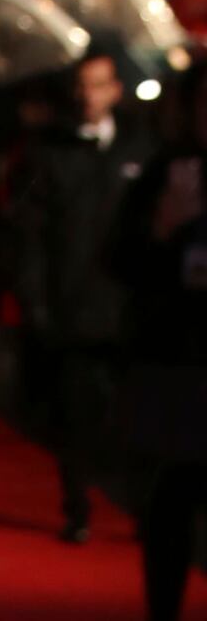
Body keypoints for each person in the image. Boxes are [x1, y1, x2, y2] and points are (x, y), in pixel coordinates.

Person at [15, 50, 153, 543]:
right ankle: (78, 507)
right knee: (74, 413)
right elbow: (30, 234)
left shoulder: (141, 149)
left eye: (98, 85)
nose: (88, 95)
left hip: (127, 308)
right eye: (82, 85)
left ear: (115, 89)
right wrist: (37, 303)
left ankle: (132, 505)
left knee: (126, 412)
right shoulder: (49, 152)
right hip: (70, 307)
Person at [112, 63, 207, 621]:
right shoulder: (163, 174)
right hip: (175, 363)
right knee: (170, 503)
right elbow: (119, 261)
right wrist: (164, 227)